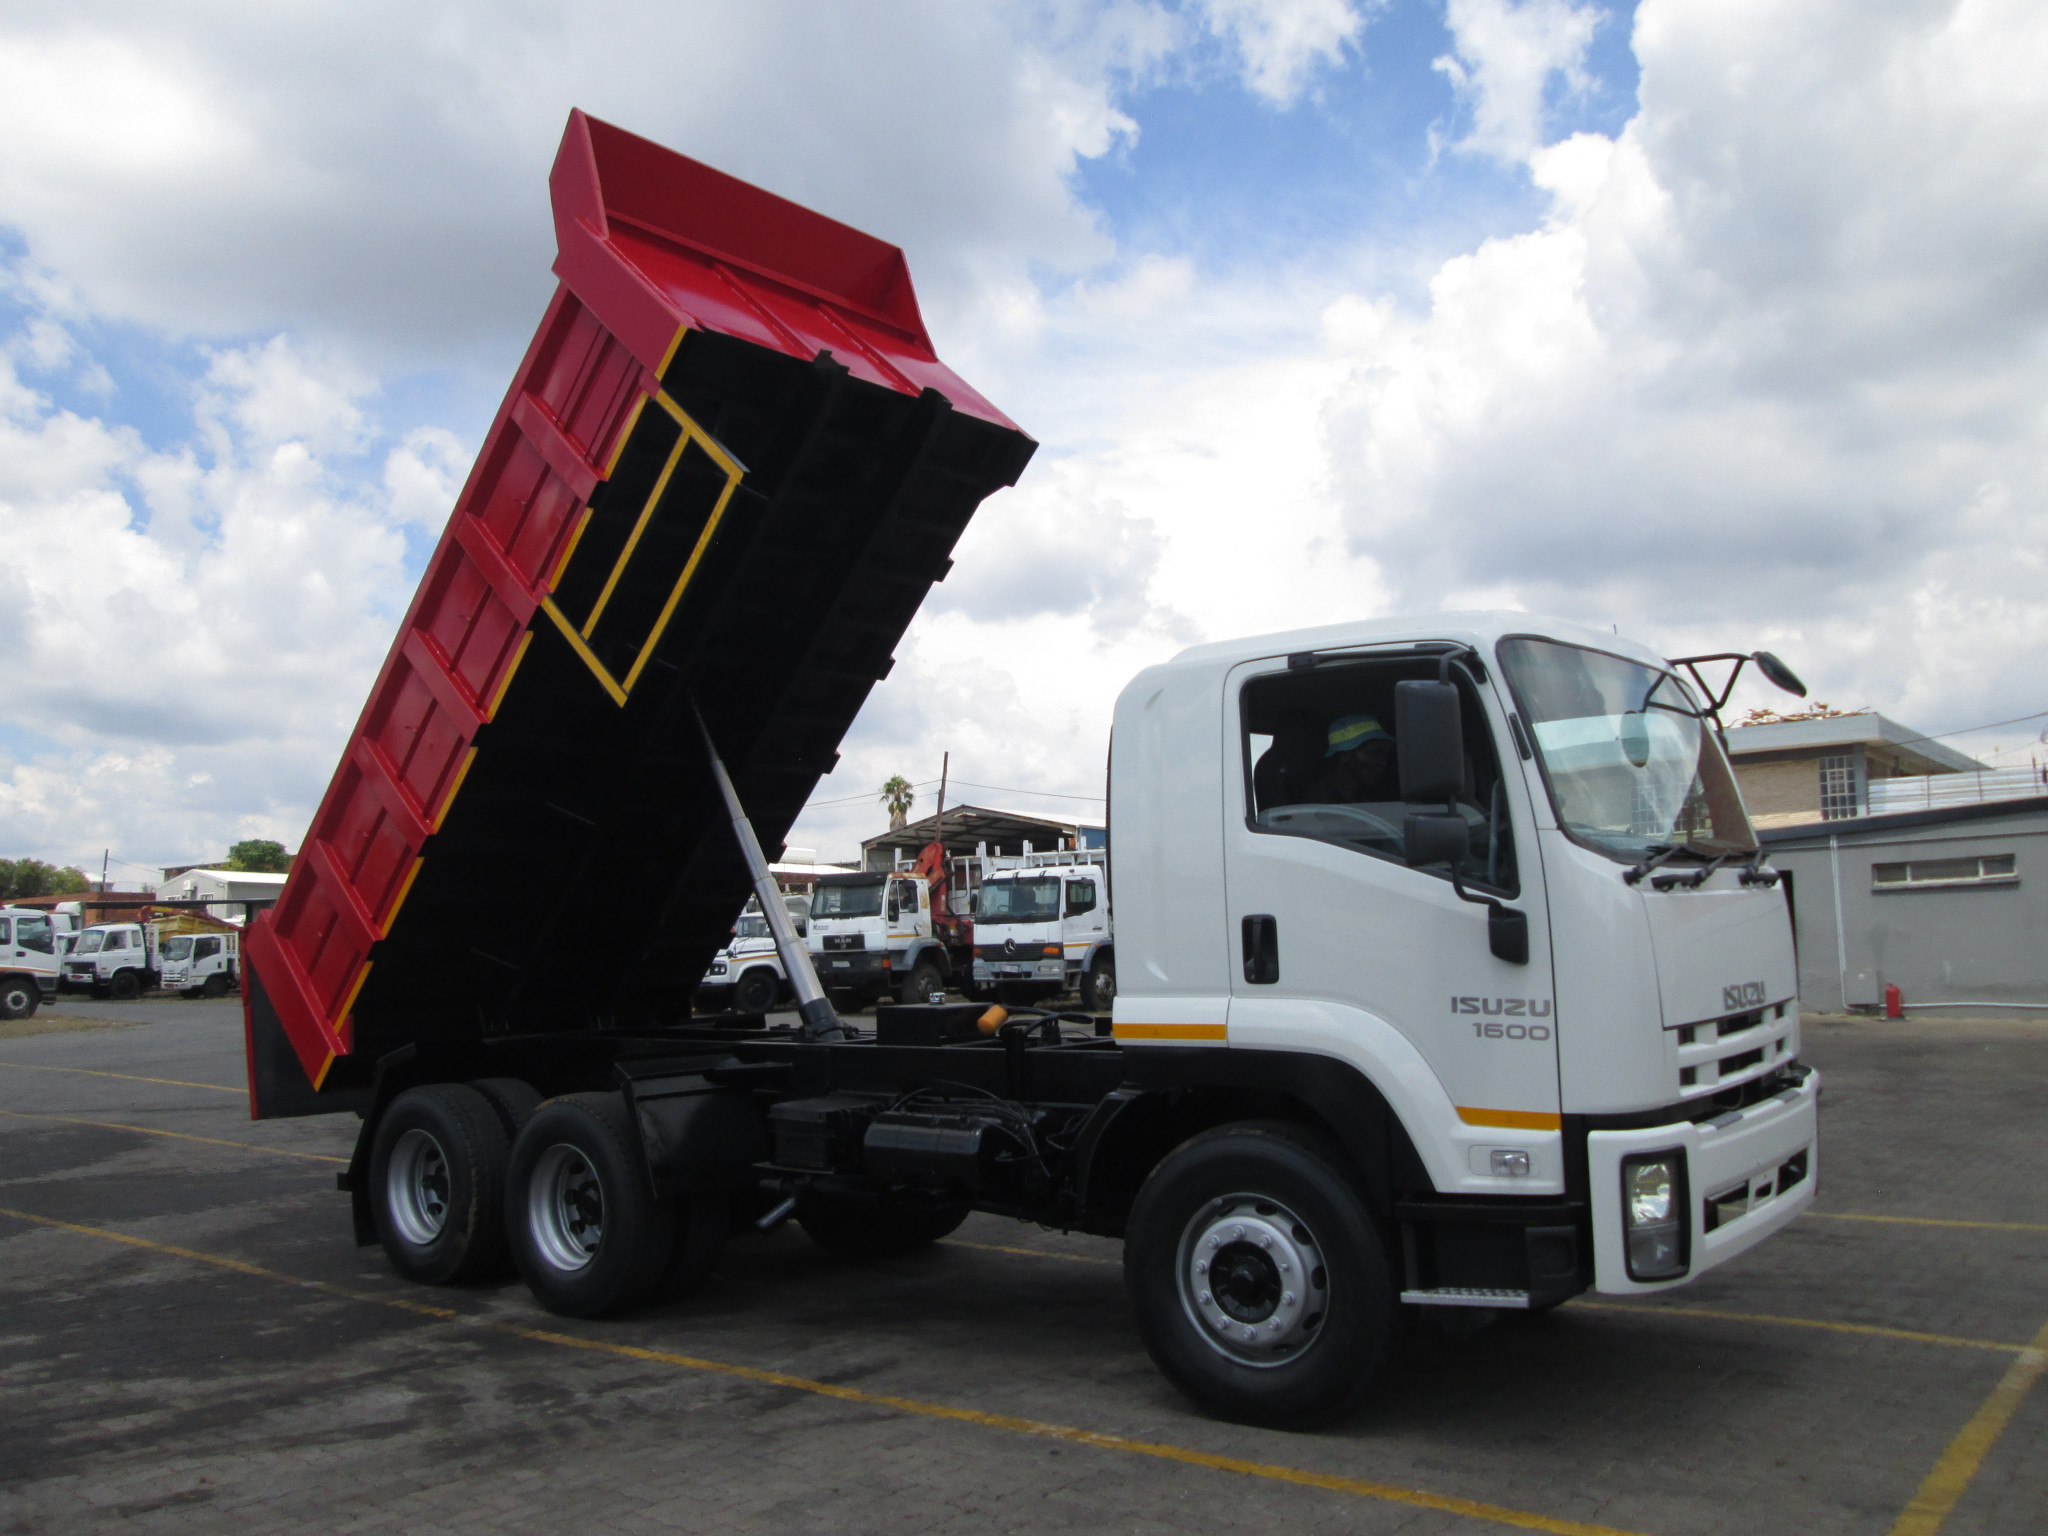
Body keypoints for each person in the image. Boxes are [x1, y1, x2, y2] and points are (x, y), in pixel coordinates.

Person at [1309, 713, 1397, 803]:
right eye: (1373, 753)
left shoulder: (1377, 794)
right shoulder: (1320, 800)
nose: (1384, 762)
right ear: (1344, 754)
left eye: (1385, 754)